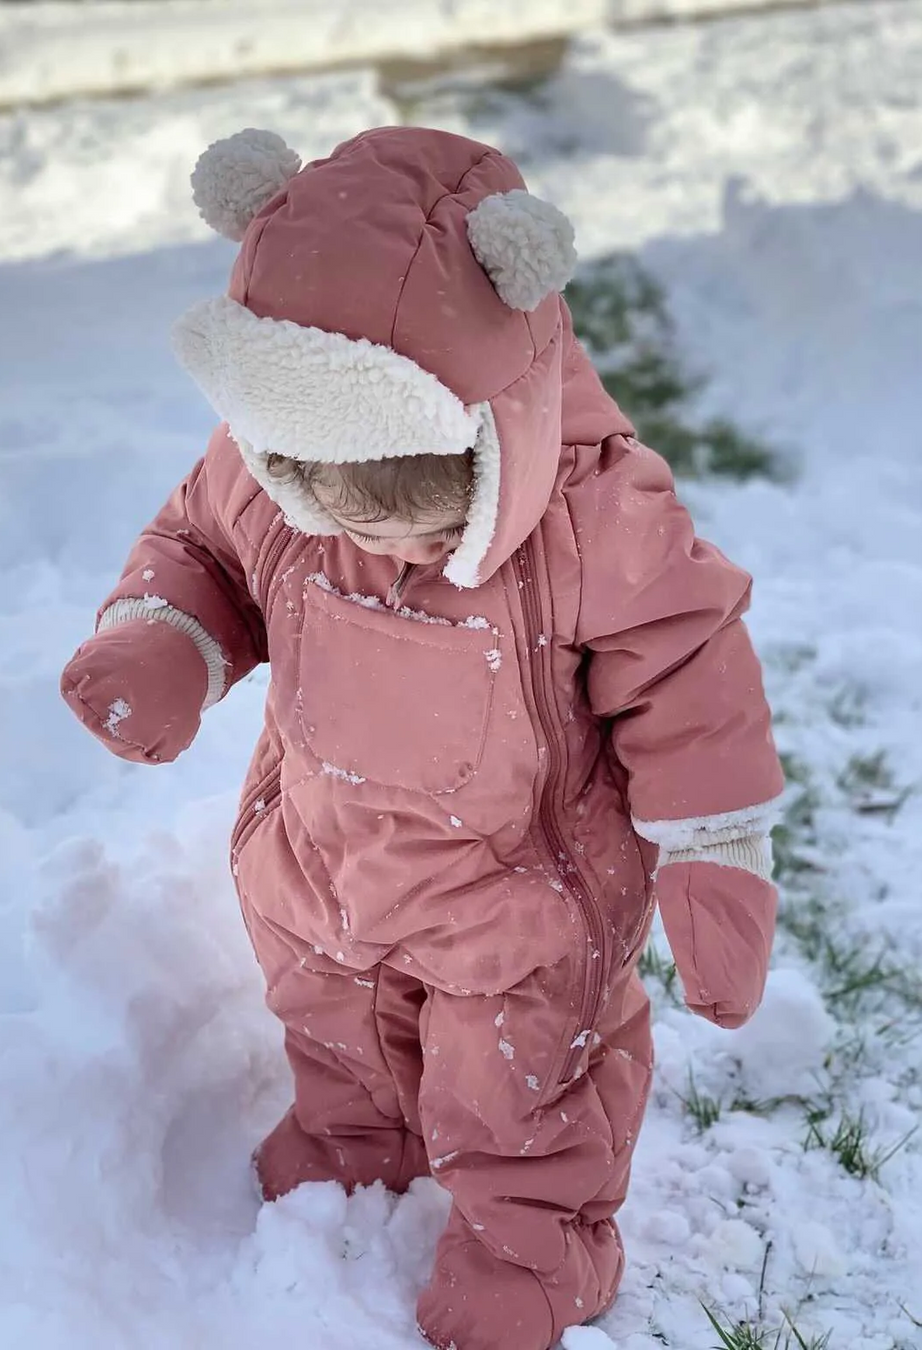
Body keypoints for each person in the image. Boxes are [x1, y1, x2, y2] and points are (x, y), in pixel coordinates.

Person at [61, 126, 784, 1350]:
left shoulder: (599, 520)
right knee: (330, 1020)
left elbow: (688, 661)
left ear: (497, 418)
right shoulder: (274, 462)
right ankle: (358, 1139)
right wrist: (164, 643)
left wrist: (716, 849)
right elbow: (202, 548)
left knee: (518, 1081)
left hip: (519, 897)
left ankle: (531, 1245)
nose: (345, 516)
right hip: (319, 861)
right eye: (309, 477)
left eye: (398, 496)